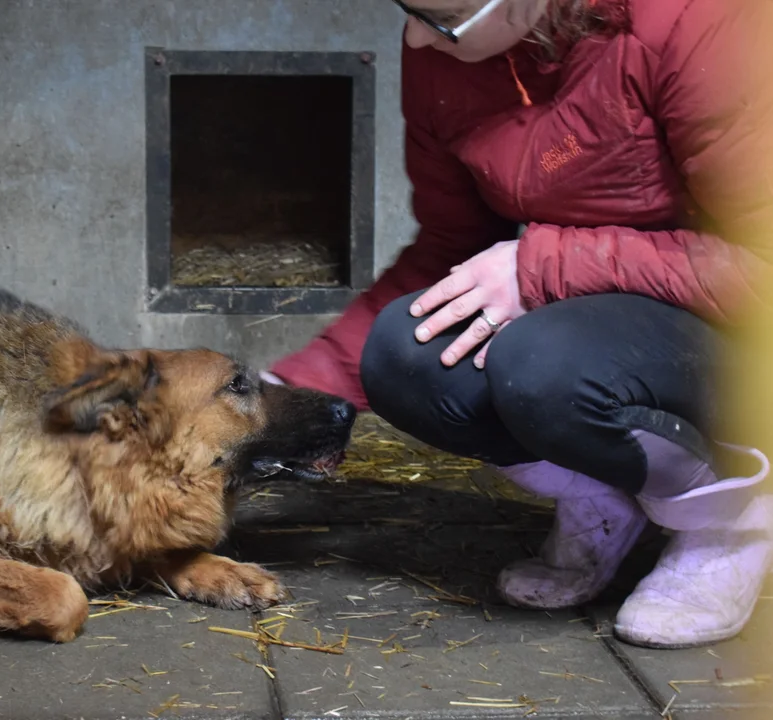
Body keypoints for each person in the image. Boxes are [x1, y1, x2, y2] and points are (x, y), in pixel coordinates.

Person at [261, 0, 773, 649]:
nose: (416, 37)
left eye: (441, 20)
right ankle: (606, 496)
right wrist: (293, 387)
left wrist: (542, 262)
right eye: (407, 11)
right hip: (596, 312)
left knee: (542, 367)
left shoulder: (694, 21)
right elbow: (451, 247)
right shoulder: (443, 52)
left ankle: (728, 522)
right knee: (403, 351)